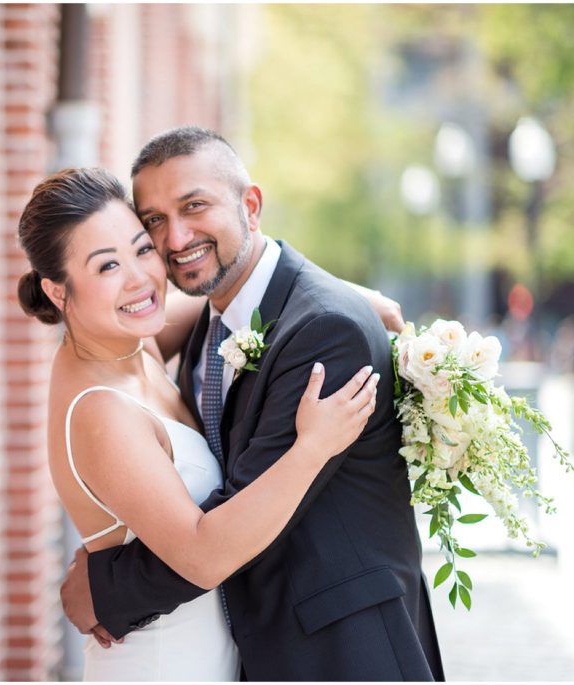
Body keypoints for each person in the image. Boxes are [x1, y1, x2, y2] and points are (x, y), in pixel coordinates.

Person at [59, 128, 445, 681]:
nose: (176, 237)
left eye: (195, 206)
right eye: (154, 222)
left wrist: (107, 588)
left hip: (342, 652)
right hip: (266, 646)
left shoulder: (325, 335)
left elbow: (238, 517)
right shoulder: (213, 319)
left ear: (251, 205)